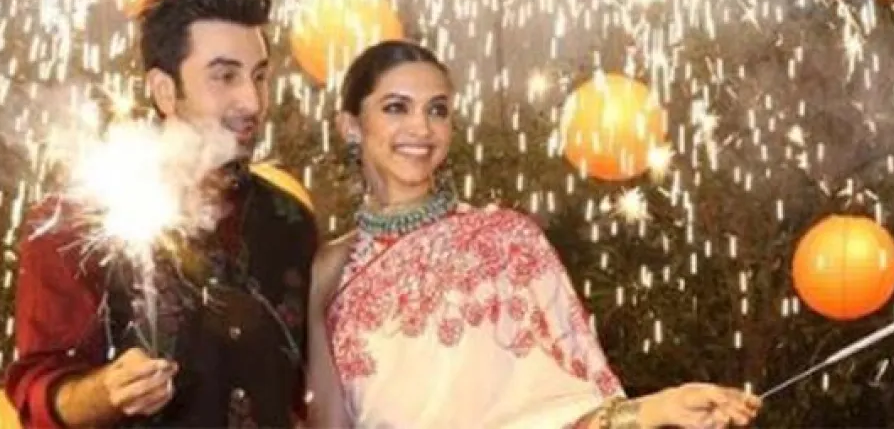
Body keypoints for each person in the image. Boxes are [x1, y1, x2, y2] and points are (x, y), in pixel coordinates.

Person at [305, 40, 762, 428]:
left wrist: (659, 408)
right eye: (396, 107)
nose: (421, 128)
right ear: (351, 126)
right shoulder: (327, 271)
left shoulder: (505, 241)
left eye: (437, 110)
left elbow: (565, 409)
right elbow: (326, 422)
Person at [4, 0, 319, 428]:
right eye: (224, 76)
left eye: (259, 76)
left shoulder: (289, 221)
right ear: (165, 90)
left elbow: (306, 391)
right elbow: (38, 396)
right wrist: (106, 392)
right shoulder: (77, 223)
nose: (252, 101)